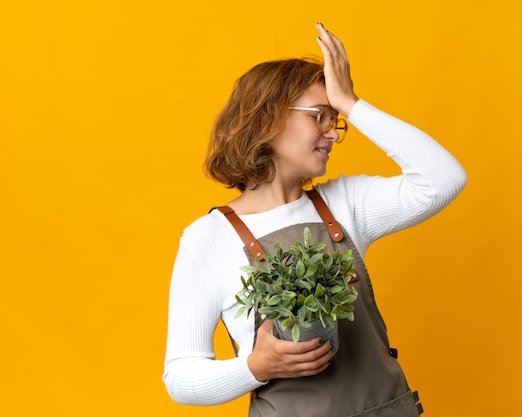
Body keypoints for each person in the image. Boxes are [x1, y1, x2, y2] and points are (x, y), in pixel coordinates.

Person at [163, 23, 467, 417]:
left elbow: (444, 179)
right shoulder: (209, 239)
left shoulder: (345, 204)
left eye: (334, 118)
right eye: (320, 116)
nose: (334, 134)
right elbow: (181, 378)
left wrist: (351, 103)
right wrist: (256, 367)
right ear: (267, 119)